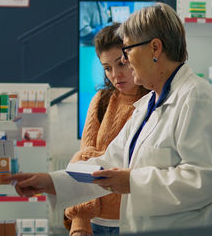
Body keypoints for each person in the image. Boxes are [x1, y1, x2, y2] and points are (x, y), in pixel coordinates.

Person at [5, 2, 212, 234]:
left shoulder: (197, 99)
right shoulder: (149, 105)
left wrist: (132, 182)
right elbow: (108, 164)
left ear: (155, 49)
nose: (125, 61)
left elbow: (206, 180)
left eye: (127, 51)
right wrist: (52, 182)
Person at [64, 23, 149, 236]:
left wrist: (99, 158)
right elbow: (84, 163)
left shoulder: (154, 102)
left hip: (138, 221)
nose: (115, 75)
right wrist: (80, 222)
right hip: (97, 222)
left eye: (121, 64)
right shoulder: (102, 101)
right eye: (107, 68)